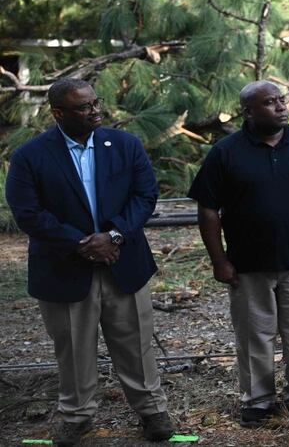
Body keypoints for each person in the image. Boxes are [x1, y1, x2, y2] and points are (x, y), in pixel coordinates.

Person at [4, 78, 175, 446]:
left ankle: (151, 411)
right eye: (84, 107)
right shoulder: (30, 156)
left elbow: (145, 196)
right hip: (65, 267)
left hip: (123, 262)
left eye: (96, 102)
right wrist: (83, 244)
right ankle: (77, 416)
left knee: (136, 343)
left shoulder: (125, 144)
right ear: (58, 113)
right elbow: (28, 212)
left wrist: (112, 236)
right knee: (74, 347)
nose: (95, 110)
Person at [187, 80, 289, 429]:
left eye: (282, 100)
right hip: (247, 265)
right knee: (253, 336)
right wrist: (219, 259)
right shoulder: (226, 152)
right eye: (270, 102)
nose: (280, 107)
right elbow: (208, 210)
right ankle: (257, 400)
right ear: (248, 111)